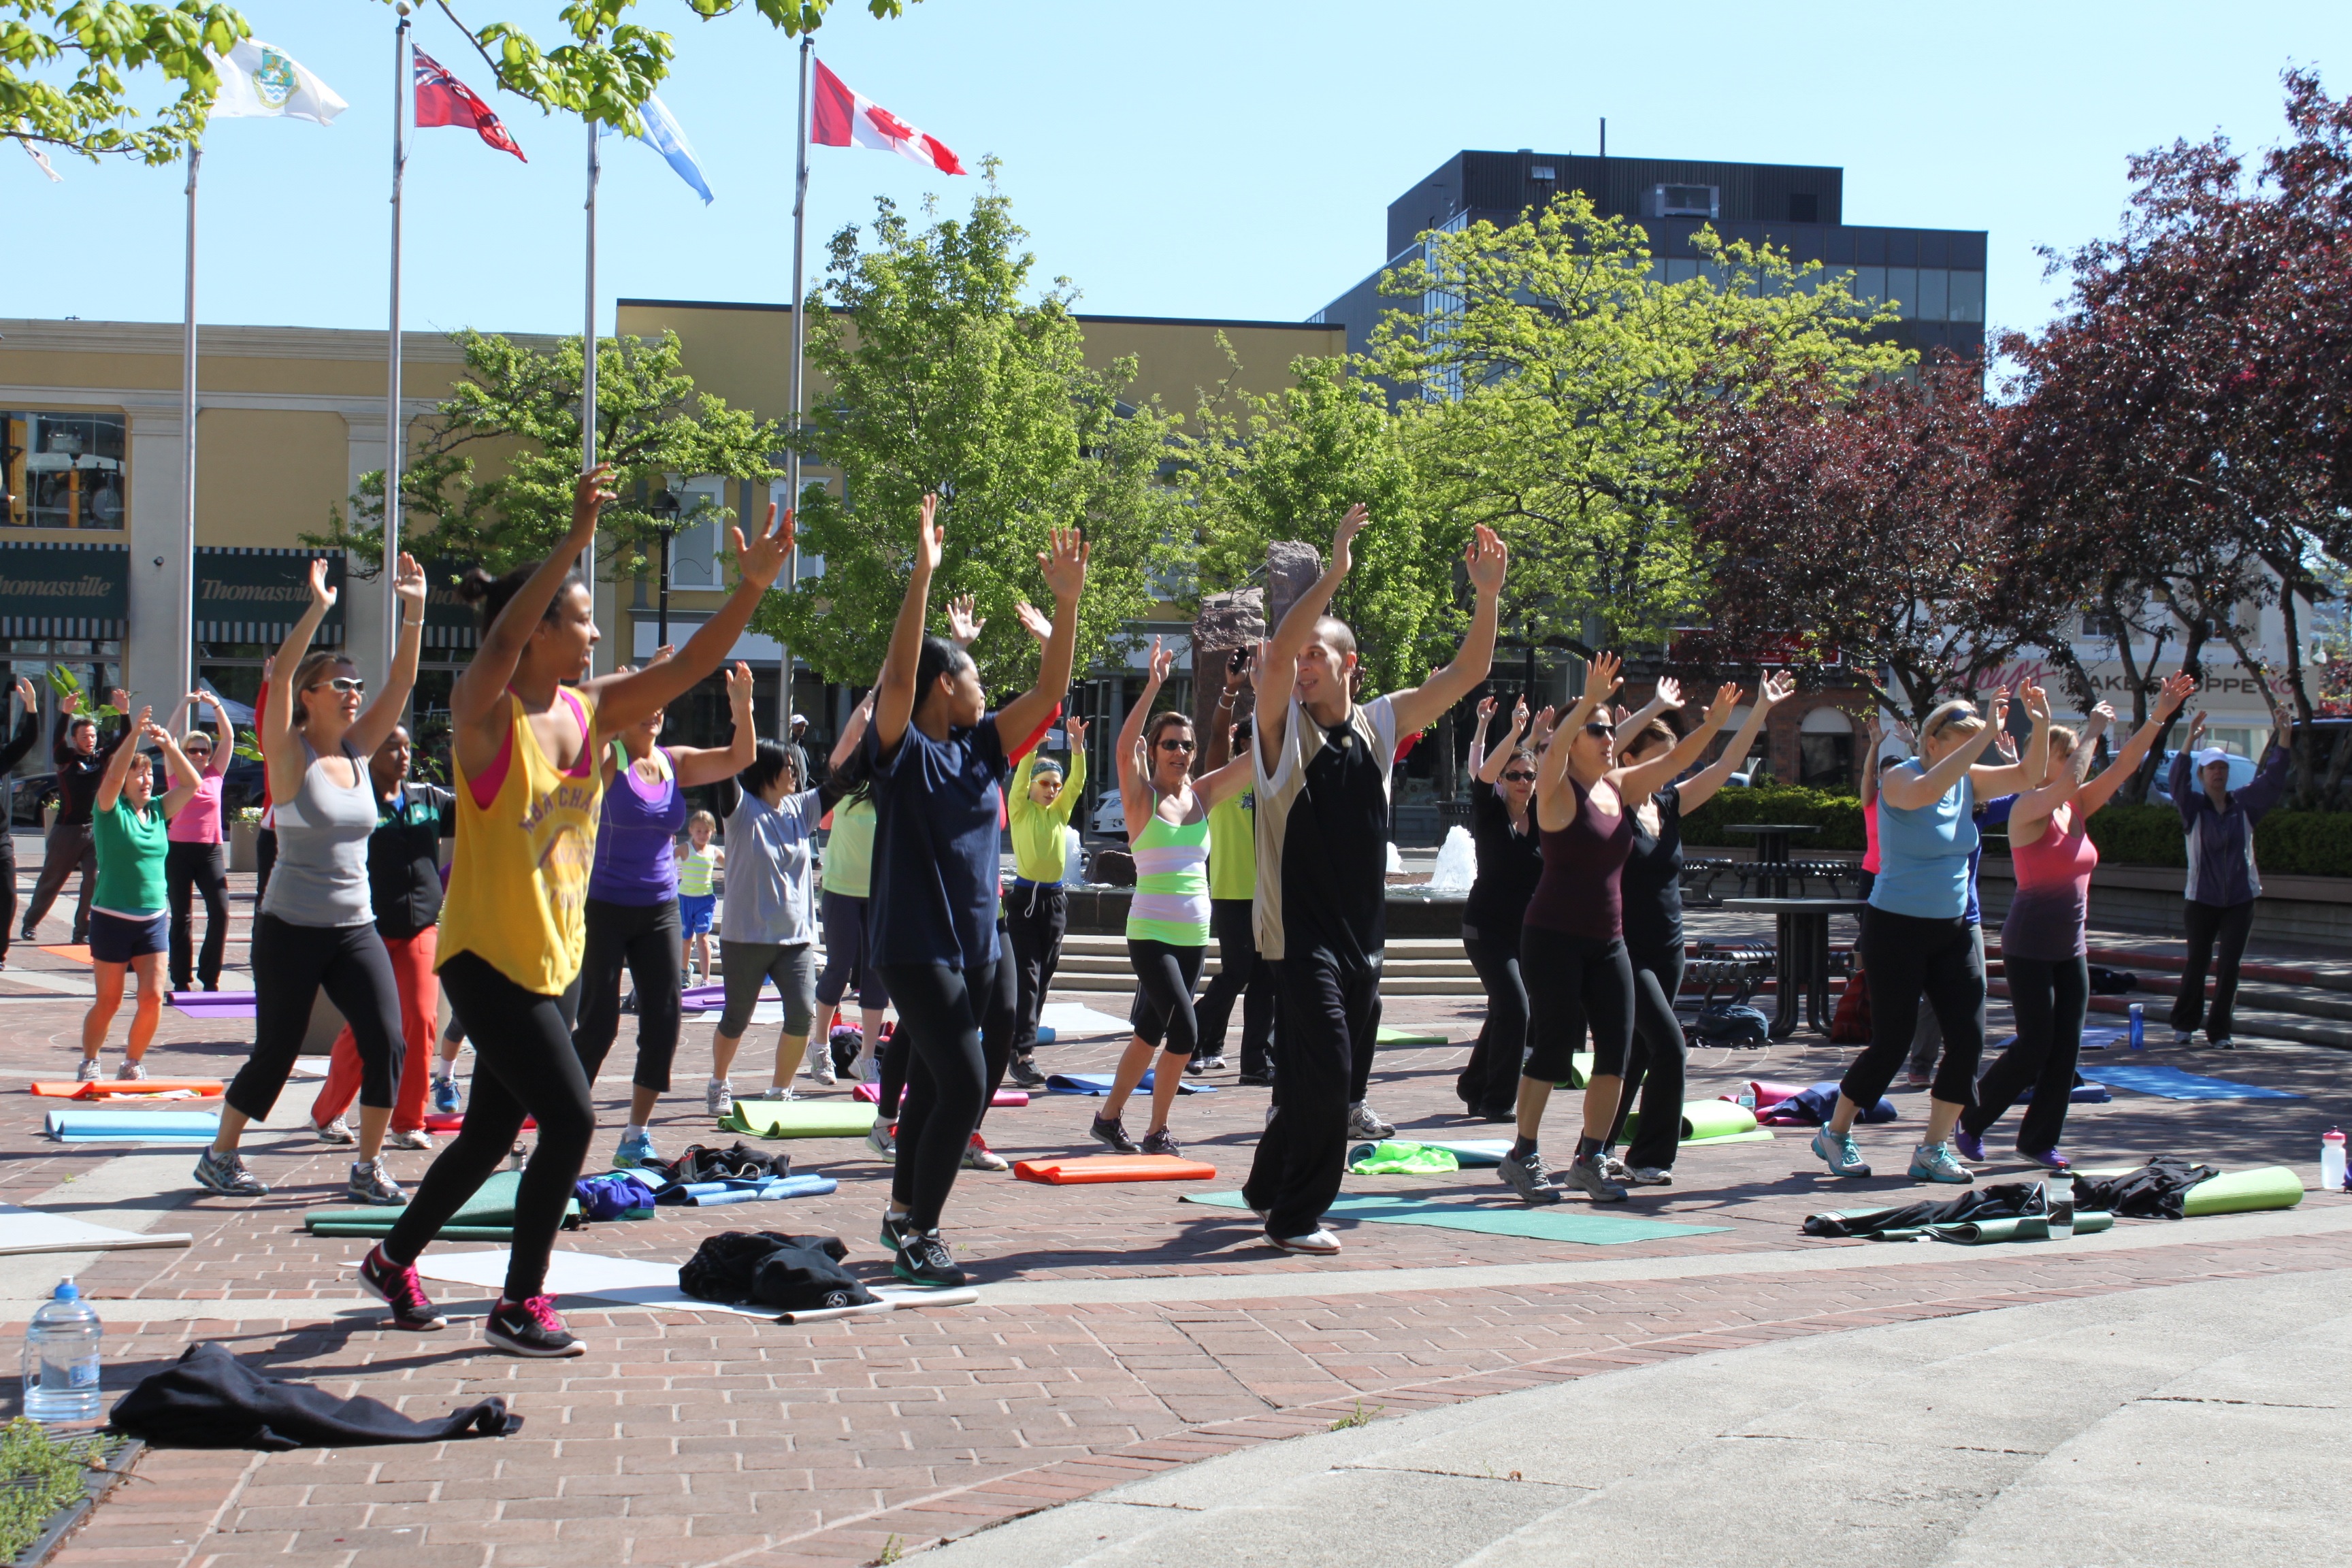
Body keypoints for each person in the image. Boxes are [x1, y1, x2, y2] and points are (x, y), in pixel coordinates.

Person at [356, 465, 794, 1354]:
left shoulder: (593, 714)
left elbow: (695, 664)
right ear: (543, 625)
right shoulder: (484, 717)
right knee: (571, 1118)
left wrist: (749, 591)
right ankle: (519, 1302)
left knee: (487, 1134)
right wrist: (571, 542)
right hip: (486, 958)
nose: (596, 634)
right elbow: (497, 646)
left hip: (554, 960)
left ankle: (394, 1256)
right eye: (582, 617)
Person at [1241, 505, 1507, 1255]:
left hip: (1364, 937)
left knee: (1312, 1081)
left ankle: (1265, 1185)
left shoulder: (1380, 725)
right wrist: (1333, 573)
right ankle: (1294, 1215)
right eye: (1297, 658)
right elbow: (1284, 641)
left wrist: (1487, 594)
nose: (1301, 666)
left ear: (1349, 664)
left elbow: (1467, 673)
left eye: (1317, 657)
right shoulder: (1279, 731)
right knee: (1327, 1075)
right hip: (1296, 939)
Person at [866, 495, 1089, 1288]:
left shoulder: (983, 748)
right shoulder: (901, 750)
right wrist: (921, 574)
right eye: (971, 675)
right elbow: (898, 672)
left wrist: (1067, 606)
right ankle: (922, 1229)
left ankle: (901, 1210)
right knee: (959, 1080)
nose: (982, 685)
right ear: (940, 686)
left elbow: (1052, 687)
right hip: (914, 945)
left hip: (979, 940)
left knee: (957, 1072)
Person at [197, 555, 430, 1208]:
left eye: (356, 683)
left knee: (388, 1039)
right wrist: (318, 609)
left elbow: (405, 680)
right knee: (275, 1051)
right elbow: (282, 677)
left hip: (354, 926)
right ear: (309, 694)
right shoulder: (289, 753)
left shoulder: (358, 752)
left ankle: (368, 1165)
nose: (354, 691)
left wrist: (414, 609)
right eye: (340, 684)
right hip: (290, 927)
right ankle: (221, 1154)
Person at [1497, 655, 1749, 1206]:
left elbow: (1679, 759)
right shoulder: (1557, 790)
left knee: (1616, 1054)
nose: (1610, 736)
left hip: (1610, 941)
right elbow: (1556, 747)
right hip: (1553, 937)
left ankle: (1590, 1158)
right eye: (1599, 729)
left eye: (1612, 728)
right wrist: (1584, 702)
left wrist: (1714, 723)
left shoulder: (1620, 787)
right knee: (1553, 1050)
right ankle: (1524, 1154)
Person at [1813, 684, 2051, 1184]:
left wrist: (2042, 721)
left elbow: (2031, 775)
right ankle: (1835, 1131)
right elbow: (1927, 792)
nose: (1972, 751)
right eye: (1962, 741)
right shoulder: (1901, 779)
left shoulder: (1968, 781)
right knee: (1892, 1043)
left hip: (1955, 928)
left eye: (1976, 742)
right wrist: (1984, 732)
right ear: (1933, 742)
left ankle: (1933, 1148)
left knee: (1968, 1039)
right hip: (1896, 928)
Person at [1961, 674, 2195, 1166]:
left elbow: (2126, 765)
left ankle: (2038, 1140)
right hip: (2029, 945)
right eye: (2066, 757)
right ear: (2047, 764)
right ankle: (1970, 1120)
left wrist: (2159, 715)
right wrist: (2091, 729)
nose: (2077, 766)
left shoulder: (2078, 806)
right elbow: (2069, 779)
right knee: (2035, 1045)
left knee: (2065, 1049)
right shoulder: (2029, 807)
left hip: (2072, 948)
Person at [1604, 673, 1791, 1184]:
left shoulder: (1668, 805)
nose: (1667, 771)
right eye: (1658, 760)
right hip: (1624, 949)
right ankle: (1647, 1159)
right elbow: (1595, 761)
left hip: (1669, 948)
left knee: (1639, 1054)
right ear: (1628, 760)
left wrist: (1757, 711)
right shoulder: (1610, 803)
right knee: (1670, 1047)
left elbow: (1727, 765)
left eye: (1671, 761)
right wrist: (1658, 714)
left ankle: (1593, 1151)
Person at [574, 660, 755, 1165]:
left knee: (665, 1020)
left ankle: (635, 1133)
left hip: (659, 909)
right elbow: (591, 725)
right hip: (606, 906)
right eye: (642, 703)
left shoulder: (674, 763)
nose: (654, 711)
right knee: (599, 1025)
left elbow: (742, 756)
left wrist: (742, 708)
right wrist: (632, 682)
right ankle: (562, 1122)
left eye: (659, 703)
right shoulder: (608, 760)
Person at [1088, 640, 1254, 1156]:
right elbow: (1121, 749)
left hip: (1195, 936)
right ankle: (1157, 1129)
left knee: (1149, 1032)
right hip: (1151, 933)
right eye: (1170, 745)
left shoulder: (1203, 793)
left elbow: (1257, 759)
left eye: (1186, 745)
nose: (1181, 752)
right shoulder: (1142, 797)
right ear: (1154, 751)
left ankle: (1108, 1118)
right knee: (1185, 1030)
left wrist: (1264, 688)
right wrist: (1155, 683)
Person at [306, 724, 455, 1152]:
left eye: (407, 747)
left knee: (422, 1019)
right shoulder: (354, 804)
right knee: (368, 1028)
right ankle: (328, 1112)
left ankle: (408, 1122)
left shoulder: (429, 800)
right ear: (370, 755)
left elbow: (483, 813)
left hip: (420, 931)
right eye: (391, 747)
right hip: (365, 929)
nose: (403, 755)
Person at [710, 740, 847, 1103]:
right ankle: (719, 1082)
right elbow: (726, 764)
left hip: (796, 941)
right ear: (767, 770)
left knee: (802, 1014)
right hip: (746, 938)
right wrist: (741, 714)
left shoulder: (801, 808)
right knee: (737, 1017)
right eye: (788, 765)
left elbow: (844, 779)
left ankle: (779, 1090)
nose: (795, 772)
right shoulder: (741, 809)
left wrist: (873, 718)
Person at [80, 708, 206, 1080]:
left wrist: (169, 747)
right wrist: (134, 733)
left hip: (153, 918)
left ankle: (132, 1062)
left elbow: (192, 784)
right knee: (110, 1000)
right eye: (140, 773)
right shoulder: (109, 809)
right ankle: (90, 1060)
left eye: (150, 773)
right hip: (111, 917)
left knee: (152, 998)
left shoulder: (157, 811)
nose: (147, 779)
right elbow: (114, 773)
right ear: (124, 781)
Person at [2169, 697, 2293, 1049]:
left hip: (2240, 898)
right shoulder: (2193, 808)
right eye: (2211, 769)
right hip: (2202, 899)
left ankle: (2220, 1031)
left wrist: (2284, 736)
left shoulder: (2244, 804)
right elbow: (2177, 782)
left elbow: (2273, 779)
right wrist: (2190, 739)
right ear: (2202, 775)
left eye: (2222, 768)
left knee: (2230, 968)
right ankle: (2184, 1024)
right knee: (2198, 962)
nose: (2218, 773)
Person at [1456, 696, 1546, 1121]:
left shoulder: (1547, 818)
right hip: (1486, 929)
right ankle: (1497, 1101)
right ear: (1503, 780)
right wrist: (1511, 732)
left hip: (1526, 932)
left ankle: (1473, 1084)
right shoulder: (1490, 812)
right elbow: (1482, 773)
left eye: (1528, 775)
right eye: (1514, 775)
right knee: (1515, 1008)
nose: (1522, 782)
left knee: (1506, 1009)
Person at [1194, 653, 1273, 1084]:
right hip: (1231, 890)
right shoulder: (1221, 782)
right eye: (1246, 742)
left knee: (1266, 979)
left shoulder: (1273, 783)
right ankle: (1189, 1031)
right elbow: (1215, 744)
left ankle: (1255, 1064)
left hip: (1270, 893)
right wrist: (1230, 691)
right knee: (1238, 971)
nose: (1253, 748)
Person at [810, 695, 890, 1093]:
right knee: (839, 967)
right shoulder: (842, 784)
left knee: (878, 971)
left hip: (879, 894)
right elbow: (849, 737)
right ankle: (820, 1045)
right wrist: (871, 702)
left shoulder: (891, 788)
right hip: (840, 890)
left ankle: (867, 1058)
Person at [1004, 708, 1088, 1090]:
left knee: (1046, 974)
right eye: (1046, 783)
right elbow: (1020, 777)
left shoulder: (1059, 813)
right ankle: (1022, 1054)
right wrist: (1031, 747)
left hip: (1054, 901)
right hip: (1025, 899)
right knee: (1029, 975)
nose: (1053, 789)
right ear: (1032, 786)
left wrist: (1076, 749)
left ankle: (1022, 1040)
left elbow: (1077, 782)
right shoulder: (1020, 810)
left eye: (1055, 784)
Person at [21, 685, 131, 947]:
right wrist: (65, 714)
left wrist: (125, 713)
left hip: (95, 829)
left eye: (93, 736)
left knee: (93, 879)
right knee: (52, 880)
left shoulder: (102, 758)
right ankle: (30, 923)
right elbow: (56, 741)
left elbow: (125, 739)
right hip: (66, 831)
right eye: (84, 736)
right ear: (75, 739)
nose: (90, 740)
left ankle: (82, 931)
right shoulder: (66, 757)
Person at [162, 690, 234, 994]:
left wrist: (216, 704)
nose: (200, 755)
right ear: (184, 752)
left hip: (211, 852)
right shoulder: (176, 775)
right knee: (182, 916)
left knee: (221, 912)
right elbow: (169, 735)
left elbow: (228, 737)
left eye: (204, 751)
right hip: (178, 851)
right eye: (193, 750)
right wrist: (184, 704)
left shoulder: (216, 774)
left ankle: (210, 976)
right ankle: (181, 978)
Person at [0, 676, 44, 970]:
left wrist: (31, 708)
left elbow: (28, 740)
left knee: (8, 896)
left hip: (1, 841)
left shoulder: (2, 758)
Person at [676, 811, 721, 988]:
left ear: (713, 832)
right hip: (685, 900)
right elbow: (664, 859)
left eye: (706, 831)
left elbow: (733, 867)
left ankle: (706, 980)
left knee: (703, 939)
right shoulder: (685, 848)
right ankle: (684, 973)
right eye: (699, 831)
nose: (702, 835)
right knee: (686, 939)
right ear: (691, 830)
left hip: (705, 901)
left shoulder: (714, 851)